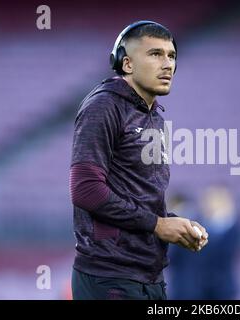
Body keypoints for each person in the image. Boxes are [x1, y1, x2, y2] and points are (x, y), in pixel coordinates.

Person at [69, 20, 208, 300]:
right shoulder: (103, 106)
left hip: (149, 275)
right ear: (127, 63)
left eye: (171, 56)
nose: (168, 64)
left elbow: (135, 197)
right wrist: (158, 225)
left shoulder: (153, 116)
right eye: (155, 54)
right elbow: (85, 190)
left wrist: (175, 224)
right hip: (109, 275)